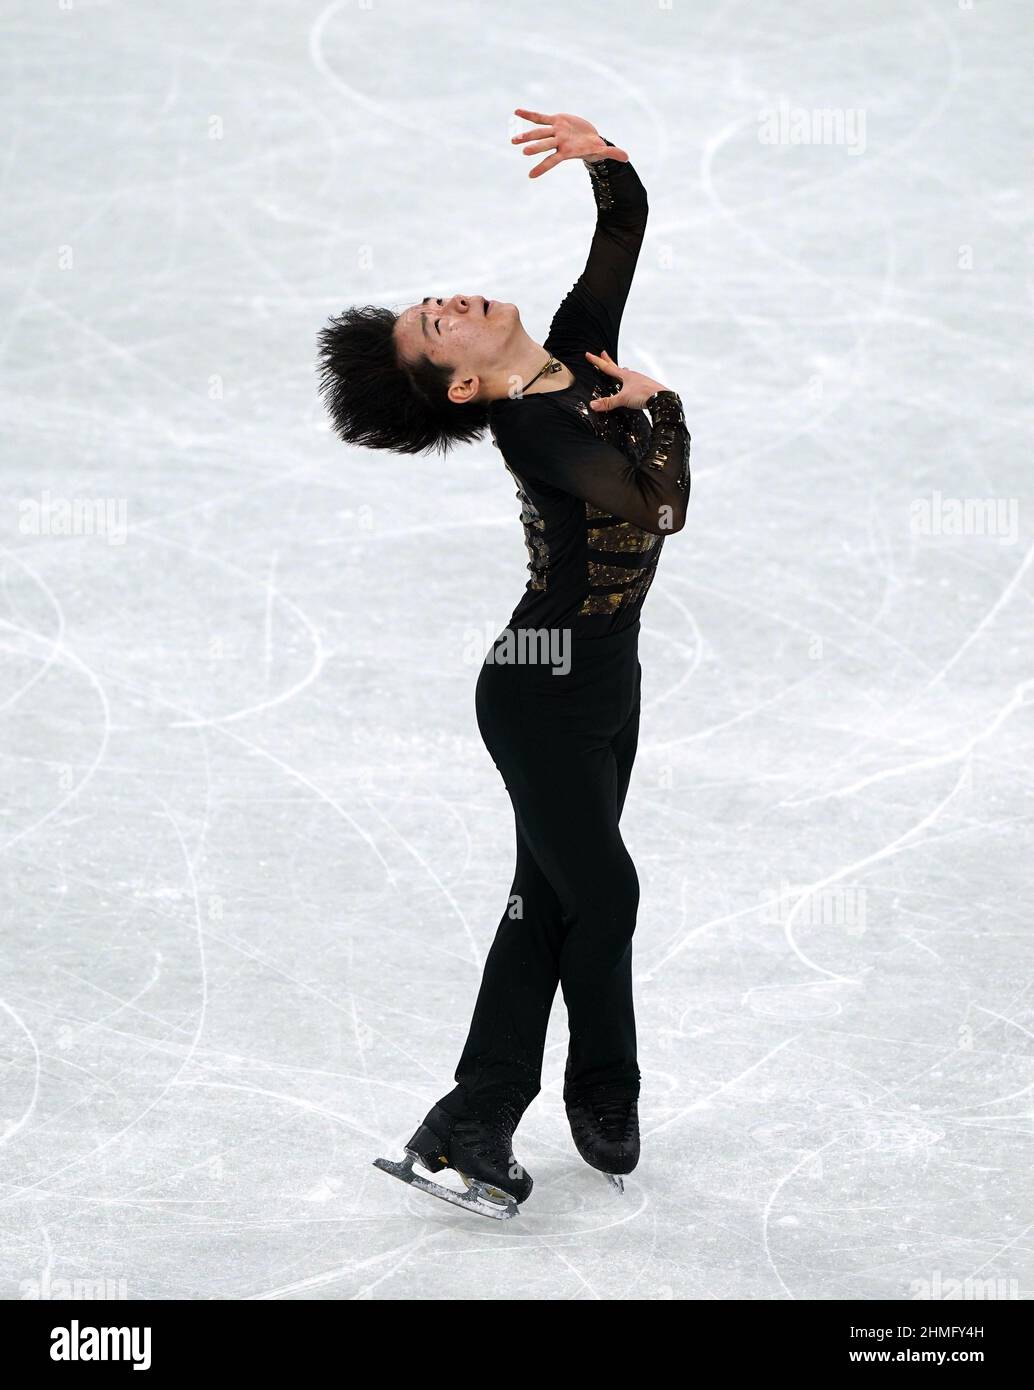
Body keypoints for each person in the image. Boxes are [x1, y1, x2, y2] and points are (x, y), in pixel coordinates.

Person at [318, 107, 691, 1218]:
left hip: (603, 671)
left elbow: (618, 234)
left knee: (550, 898)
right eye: (435, 333)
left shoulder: (574, 357)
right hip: (534, 683)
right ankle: (601, 1085)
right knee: (604, 890)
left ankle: (472, 1118)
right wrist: (662, 407)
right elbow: (656, 505)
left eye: (430, 305)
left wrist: (605, 159)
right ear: (463, 388)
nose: (446, 306)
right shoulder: (535, 429)